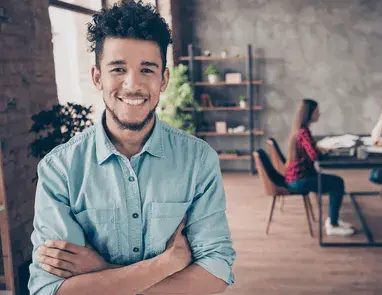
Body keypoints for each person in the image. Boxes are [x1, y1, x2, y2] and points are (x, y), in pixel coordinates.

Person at [28, 2, 235, 295]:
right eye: (118, 69)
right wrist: (167, 263)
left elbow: (215, 274)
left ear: (163, 79)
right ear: (98, 76)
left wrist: (101, 272)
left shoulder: (198, 160)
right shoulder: (59, 169)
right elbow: (53, 289)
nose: (132, 84)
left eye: (147, 70)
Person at [284, 99, 355, 236]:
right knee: (337, 183)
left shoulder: (299, 129)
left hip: (296, 177)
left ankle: (333, 221)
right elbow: (314, 156)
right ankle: (332, 225)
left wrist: (319, 148)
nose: (319, 114)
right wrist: (322, 151)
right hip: (299, 180)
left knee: (335, 182)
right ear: (309, 114)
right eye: (316, 112)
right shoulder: (304, 132)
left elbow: (310, 149)